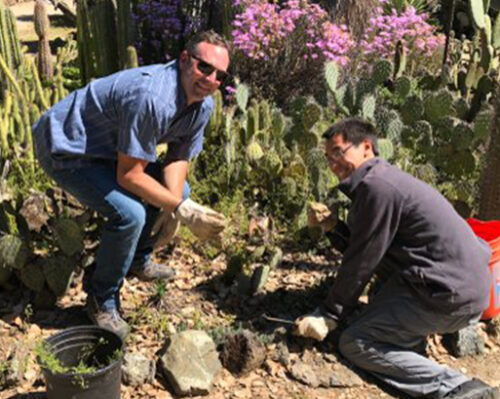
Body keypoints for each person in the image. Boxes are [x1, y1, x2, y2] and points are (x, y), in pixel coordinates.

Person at [32, 30, 230, 340]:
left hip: (108, 148)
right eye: (204, 67)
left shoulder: (202, 105)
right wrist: (180, 209)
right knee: (130, 214)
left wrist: (177, 203)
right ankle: (102, 298)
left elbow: (178, 157)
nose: (211, 79)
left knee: (181, 192)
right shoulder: (152, 97)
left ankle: (138, 259)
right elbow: (129, 176)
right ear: (184, 60)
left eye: (220, 75)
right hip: (67, 147)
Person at [294, 117, 499, 399]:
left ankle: (458, 388)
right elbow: (372, 249)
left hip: (446, 295)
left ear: (366, 147)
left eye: (339, 153)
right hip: (463, 290)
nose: (332, 164)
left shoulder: (377, 187)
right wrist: (333, 227)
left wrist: (329, 314)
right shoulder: (385, 180)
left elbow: (362, 260)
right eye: (328, 157)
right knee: (377, 307)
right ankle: (404, 340)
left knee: (356, 342)